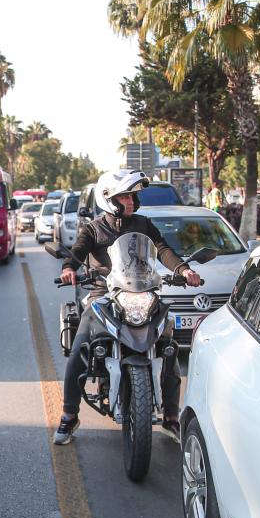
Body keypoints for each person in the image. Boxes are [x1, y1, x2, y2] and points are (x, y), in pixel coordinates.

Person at [55, 170, 203, 445]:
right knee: (80, 348)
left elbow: (162, 249)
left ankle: (171, 416)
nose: (132, 201)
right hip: (103, 294)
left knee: (168, 345)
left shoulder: (143, 224)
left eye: (133, 196)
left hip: (141, 292)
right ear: (109, 199)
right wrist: (68, 268)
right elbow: (77, 252)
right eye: (125, 197)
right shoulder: (93, 229)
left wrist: (183, 269)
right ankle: (69, 415)